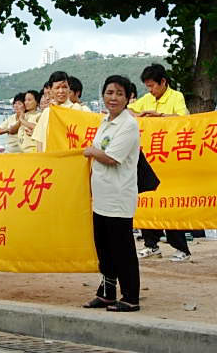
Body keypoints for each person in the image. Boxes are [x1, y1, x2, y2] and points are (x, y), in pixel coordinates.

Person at [83, 75, 141, 312]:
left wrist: (90, 151)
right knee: (104, 249)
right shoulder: (106, 121)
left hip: (119, 196)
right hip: (102, 196)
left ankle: (130, 297)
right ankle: (107, 293)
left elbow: (112, 157)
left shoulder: (129, 125)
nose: (113, 98)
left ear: (128, 98)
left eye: (119, 93)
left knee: (122, 249)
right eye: (109, 93)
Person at [129, 64, 191, 262]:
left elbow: (184, 119)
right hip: (150, 158)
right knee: (148, 201)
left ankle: (181, 248)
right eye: (147, 86)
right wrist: (139, 115)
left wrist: (161, 117)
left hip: (171, 159)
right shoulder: (147, 99)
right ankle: (151, 244)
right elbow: (128, 112)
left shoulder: (176, 97)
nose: (150, 90)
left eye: (152, 86)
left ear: (163, 82)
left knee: (170, 204)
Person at [32, 71, 88, 152]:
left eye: (64, 87)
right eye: (57, 88)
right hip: (47, 157)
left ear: (69, 88)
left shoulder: (76, 108)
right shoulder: (47, 111)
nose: (61, 91)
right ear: (51, 90)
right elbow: (39, 140)